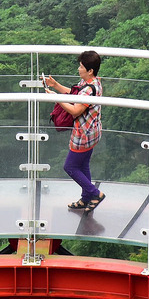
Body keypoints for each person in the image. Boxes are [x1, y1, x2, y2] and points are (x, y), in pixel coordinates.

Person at [44, 50, 106, 214]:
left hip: (83, 135)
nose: (78, 69)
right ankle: (86, 197)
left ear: (89, 70)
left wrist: (55, 98)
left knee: (70, 166)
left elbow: (75, 110)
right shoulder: (94, 83)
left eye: (81, 66)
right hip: (93, 131)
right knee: (83, 164)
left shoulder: (88, 90)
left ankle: (95, 193)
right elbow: (74, 95)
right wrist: (56, 86)